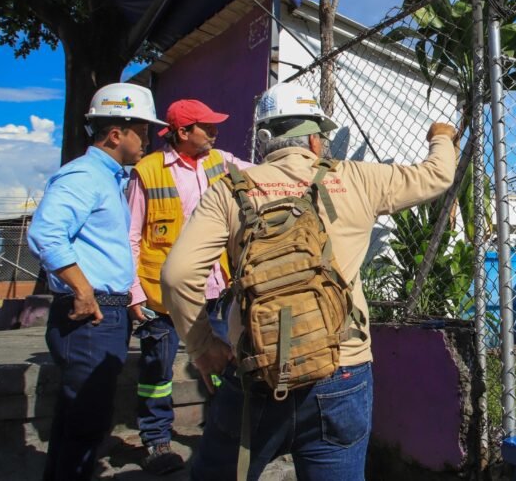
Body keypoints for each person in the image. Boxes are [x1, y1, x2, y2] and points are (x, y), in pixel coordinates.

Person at [160, 82, 456, 481]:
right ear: (316, 140)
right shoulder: (357, 178)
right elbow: (436, 176)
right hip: (341, 368)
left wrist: (202, 347)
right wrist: (441, 135)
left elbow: (177, 275)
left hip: (256, 370)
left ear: (263, 140)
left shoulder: (229, 191)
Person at [27, 82, 166, 481]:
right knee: (86, 424)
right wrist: (83, 289)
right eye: (142, 129)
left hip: (106, 311)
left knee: (77, 423)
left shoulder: (109, 178)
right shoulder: (84, 176)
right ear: (115, 133)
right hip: (91, 315)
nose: (148, 138)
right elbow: (46, 233)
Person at [126, 99, 252, 474]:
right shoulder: (147, 172)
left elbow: (264, 173)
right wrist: (134, 293)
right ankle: (156, 440)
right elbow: (130, 236)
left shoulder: (221, 162)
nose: (215, 132)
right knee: (157, 371)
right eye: (206, 127)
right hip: (160, 294)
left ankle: (218, 431)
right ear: (182, 132)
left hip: (212, 290)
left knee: (220, 362)